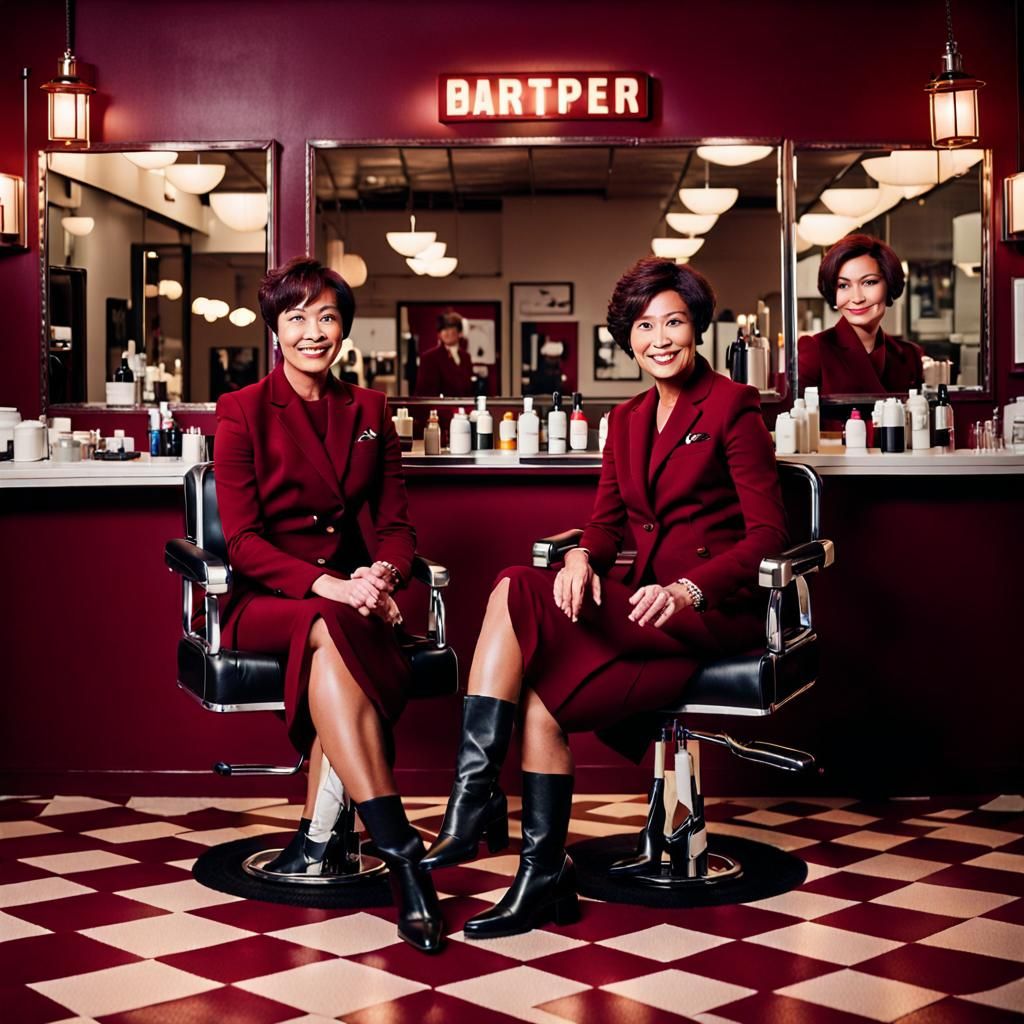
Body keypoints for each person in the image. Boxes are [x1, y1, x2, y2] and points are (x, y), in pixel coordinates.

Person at [420, 256, 787, 937]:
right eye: (644, 326)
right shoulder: (625, 418)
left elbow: (769, 535)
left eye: (673, 322)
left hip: (705, 617)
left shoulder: (732, 405)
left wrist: (690, 589)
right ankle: (543, 878)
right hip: (639, 610)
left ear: (697, 326)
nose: (660, 339)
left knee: (512, 582)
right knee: (540, 704)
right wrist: (581, 556)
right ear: (627, 337)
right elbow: (606, 524)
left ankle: (471, 803)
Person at [214, 257, 443, 954]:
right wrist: (335, 587)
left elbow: (397, 527)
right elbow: (242, 543)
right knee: (330, 619)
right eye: (297, 318)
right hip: (267, 600)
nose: (313, 332)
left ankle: (325, 840)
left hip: (348, 601)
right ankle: (402, 849)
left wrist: (381, 577)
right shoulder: (241, 410)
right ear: (275, 331)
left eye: (327, 317)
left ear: (344, 328)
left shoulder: (370, 410)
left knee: (334, 636)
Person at [799, 233, 923, 395]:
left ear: (889, 284)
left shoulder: (910, 355)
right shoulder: (815, 350)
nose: (857, 298)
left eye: (869, 282)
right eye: (843, 285)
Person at [414, 311, 475, 395]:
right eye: (442, 329)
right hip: (439, 403)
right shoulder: (429, 358)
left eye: (450, 328)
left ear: (460, 332)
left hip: (464, 403)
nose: (445, 332)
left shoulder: (466, 357)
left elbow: (469, 389)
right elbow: (423, 393)